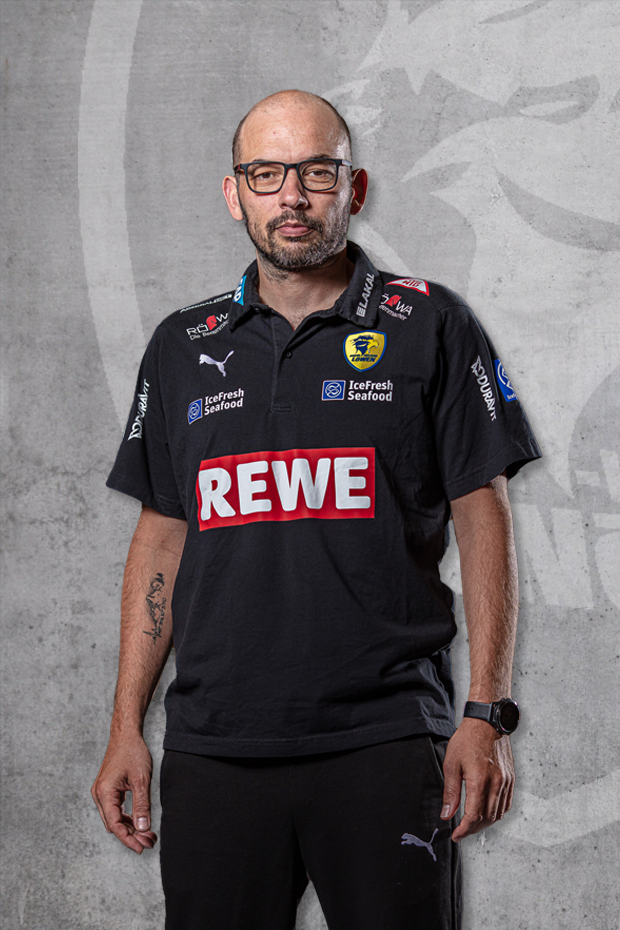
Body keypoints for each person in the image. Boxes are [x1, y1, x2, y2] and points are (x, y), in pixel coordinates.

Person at [91, 90, 541, 929]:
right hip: (215, 746)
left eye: (317, 172)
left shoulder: (431, 323)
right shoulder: (182, 347)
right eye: (266, 174)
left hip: (387, 740)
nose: (292, 196)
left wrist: (486, 713)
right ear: (235, 194)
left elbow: (483, 515)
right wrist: (126, 727)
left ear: (354, 188)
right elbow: (161, 541)